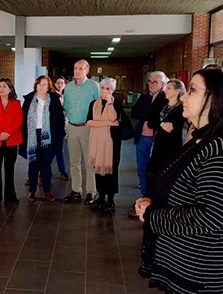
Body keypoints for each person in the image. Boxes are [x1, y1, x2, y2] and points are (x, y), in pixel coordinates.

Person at [135, 68, 223, 294]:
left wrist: (153, 215)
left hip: (204, 277)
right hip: (188, 267)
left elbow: (211, 217)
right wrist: (153, 201)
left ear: (217, 99)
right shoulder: (205, 139)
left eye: (192, 90)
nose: (184, 97)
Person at [20, 75, 65, 202]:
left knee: (46, 164)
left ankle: (47, 191)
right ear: (36, 86)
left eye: (44, 84)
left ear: (49, 87)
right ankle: (32, 191)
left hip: (48, 137)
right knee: (33, 164)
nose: (41, 87)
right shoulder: (29, 99)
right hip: (32, 135)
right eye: (39, 84)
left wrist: (60, 135)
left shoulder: (54, 100)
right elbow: (23, 119)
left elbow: (59, 120)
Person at [63, 60, 100, 203]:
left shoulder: (93, 86)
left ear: (87, 71)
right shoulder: (69, 87)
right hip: (72, 127)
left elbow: (98, 107)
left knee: (90, 163)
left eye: (80, 68)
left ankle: (91, 192)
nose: (77, 71)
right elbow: (66, 106)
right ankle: (76, 190)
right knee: (73, 162)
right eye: (75, 68)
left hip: (88, 128)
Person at [86, 78, 124, 214]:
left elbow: (114, 119)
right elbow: (89, 122)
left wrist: (109, 104)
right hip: (96, 141)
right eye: (103, 88)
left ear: (112, 90)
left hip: (112, 143)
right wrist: (106, 123)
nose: (105, 91)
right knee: (98, 169)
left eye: (108, 89)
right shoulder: (93, 104)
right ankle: (101, 197)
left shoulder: (116, 103)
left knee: (111, 171)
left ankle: (111, 200)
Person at [0, 78, 23, 206]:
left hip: (11, 140)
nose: (1, 89)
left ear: (10, 89)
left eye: (4, 86)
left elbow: (18, 121)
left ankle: (10, 197)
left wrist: (7, 133)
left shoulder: (16, 104)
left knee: (9, 170)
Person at [130, 71, 168, 197]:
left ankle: (154, 196)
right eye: (149, 82)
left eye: (155, 82)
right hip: (142, 137)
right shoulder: (144, 97)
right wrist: (150, 115)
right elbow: (134, 113)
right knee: (141, 168)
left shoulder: (166, 99)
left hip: (157, 139)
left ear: (162, 84)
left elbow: (159, 117)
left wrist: (148, 115)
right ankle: (144, 195)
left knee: (155, 169)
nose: (151, 84)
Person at [145, 79, 186, 189]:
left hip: (171, 148)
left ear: (177, 91)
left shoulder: (181, 109)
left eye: (169, 88)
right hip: (157, 145)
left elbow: (172, 128)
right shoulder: (162, 104)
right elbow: (150, 123)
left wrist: (159, 123)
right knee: (151, 176)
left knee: (165, 178)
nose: (165, 90)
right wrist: (161, 124)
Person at [53, 77, 70, 181]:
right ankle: (43, 172)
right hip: (54, 125)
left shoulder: (67, 96)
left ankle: (62, 170)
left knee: (59, 149)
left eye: (62, 83)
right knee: (52, 151)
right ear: (55, 84)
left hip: (64, 125)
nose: (60, 85)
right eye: (58, 83)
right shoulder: (52, 96)